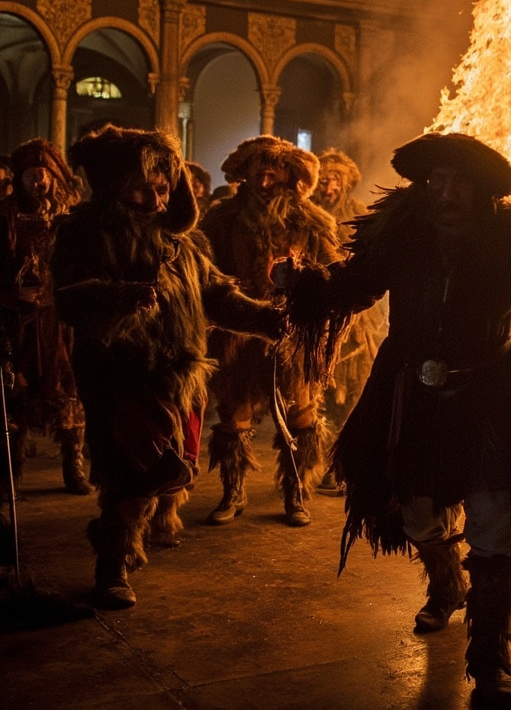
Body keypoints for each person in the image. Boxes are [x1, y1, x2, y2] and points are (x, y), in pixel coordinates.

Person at [287, 131, 511, 707]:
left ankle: (491, 657)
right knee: (420, 515)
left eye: (458, 183)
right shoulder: (402, 234)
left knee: (496, 523)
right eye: (437, 182)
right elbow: (354, 285)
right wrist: (302, 283)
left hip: (488, 393)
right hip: (411, 394)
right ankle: (445, 583)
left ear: (480, 192)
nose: (445, 193)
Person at [52, 125, 284, 609]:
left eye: (163, 188)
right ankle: (112, 562)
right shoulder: (85, 233)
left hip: (181, 376)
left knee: (165, 474)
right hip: (121, 377)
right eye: (143, 188)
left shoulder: (182, 244)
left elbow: (217, 295)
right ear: (116, 186)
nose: (156, 200)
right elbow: (70, 299)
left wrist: (268, 320)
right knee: (132, 475)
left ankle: (127, 544)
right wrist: (123, 298)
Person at [201, 136, 341, 527]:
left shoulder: (309, 220)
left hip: (293, 335)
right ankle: (234, 492)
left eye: (272, 171)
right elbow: (206, 269)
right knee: (234, 415)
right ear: (243, 174)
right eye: (256, 172)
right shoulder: (223, 219)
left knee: (302, 414)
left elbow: (331, 269)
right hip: (239, 333)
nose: (264, 181)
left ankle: (296, 493)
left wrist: (311, 289)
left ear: (288, 175)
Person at [0, 138, 89, 495]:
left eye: (45, 174)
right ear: (20, 178)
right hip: (17, 323)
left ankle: (73, 466)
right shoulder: (3, 218)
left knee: (68, 392)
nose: (39, 181)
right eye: (31, 175)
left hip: (60, 322)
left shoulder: (69, 217)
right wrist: (12, 294)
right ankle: (12, 473)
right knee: (16, 396)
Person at [310, 148, 384, 481]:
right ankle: (312, 463)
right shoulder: (308, 214)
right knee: (314, 392)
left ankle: (341, 462)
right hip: (315, 312)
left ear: (345, 184)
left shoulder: (358, 214)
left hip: (352, 318)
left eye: (334, 182)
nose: (328, 189)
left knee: (352, 391)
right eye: (323, 182)